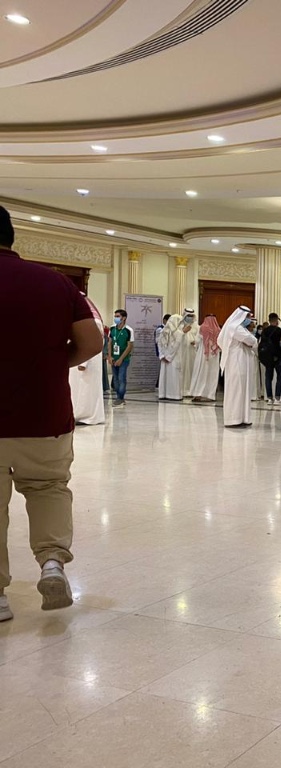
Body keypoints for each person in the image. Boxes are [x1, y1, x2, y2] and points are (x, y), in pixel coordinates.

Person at [0, 205, 103, 621]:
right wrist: (51, 366)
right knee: (48, 488)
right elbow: (92, 341)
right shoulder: (56, 282)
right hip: (44, 416)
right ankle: (52, 563)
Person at [69, 294, 106, 425]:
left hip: (86, 363)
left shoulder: (93, 322)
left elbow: (89, 343)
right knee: (83, 391)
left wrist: (83, 362)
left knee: (84, 391)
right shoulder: (93, 321)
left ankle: (84, 416)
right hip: (86, 361)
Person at [219, 306, 257, 427]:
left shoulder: (241, 328)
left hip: (242, 362)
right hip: (236, 362)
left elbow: (252, 342)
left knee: (243, 390)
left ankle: (243, 418)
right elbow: (251, 341)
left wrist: (251, 342)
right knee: (236, 390)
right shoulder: (234, 328)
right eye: (247, 317)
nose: (249, 320)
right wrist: (251, 342)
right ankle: (233, 419)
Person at [190, 314, 221, 402]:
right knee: (212, 374)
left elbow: (197, 340)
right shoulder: (218, 330)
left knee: (200, 373)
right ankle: (210, 395)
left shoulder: (202, 328)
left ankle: (198, 394)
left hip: (203, 354)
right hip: (214, 355)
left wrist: (195, 344)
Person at [109, 308, 134, 407]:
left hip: (124, 359)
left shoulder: (129, 330)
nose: (115, 318)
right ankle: (119, 397)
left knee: (121, 378)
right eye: (115, 316)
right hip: (113, 358)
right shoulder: (112, 328)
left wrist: (121, 359)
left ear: (124, 318)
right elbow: (110, 343)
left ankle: (120, 398)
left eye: (118, 316)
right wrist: (110, 356)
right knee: (115, 378)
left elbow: (130, 346)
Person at [259, 313, 281, 405]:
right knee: (280, 377)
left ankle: (269, 398)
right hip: (278, 356)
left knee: (268, 378)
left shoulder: (264, 331)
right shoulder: (280, 331)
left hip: (267, 357)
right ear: (277, 321)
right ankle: (277, 398)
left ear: (269, 320)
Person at [157, 314, 184, 401]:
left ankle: (164, 394)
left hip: (166, 358)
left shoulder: (163, 331)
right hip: (173, 358)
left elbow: (159, 344)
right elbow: (176, 346)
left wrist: (162, 355)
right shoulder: (178, 333)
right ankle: (174, 395)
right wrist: (168, 356)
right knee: (173, 376)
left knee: (167, 376)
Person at [179, 308, 198, 398]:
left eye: (191, 316)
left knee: (191, 370)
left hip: (192, 353)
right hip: (182, 352)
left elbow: (200, 338)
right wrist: (183, 332)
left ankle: (191, 391)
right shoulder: (179, 325)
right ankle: (181, 390)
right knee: (182, 370)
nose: (190, 318)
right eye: (188, 316)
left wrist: (195, 342)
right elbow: (175, 337)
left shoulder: (197, 327)